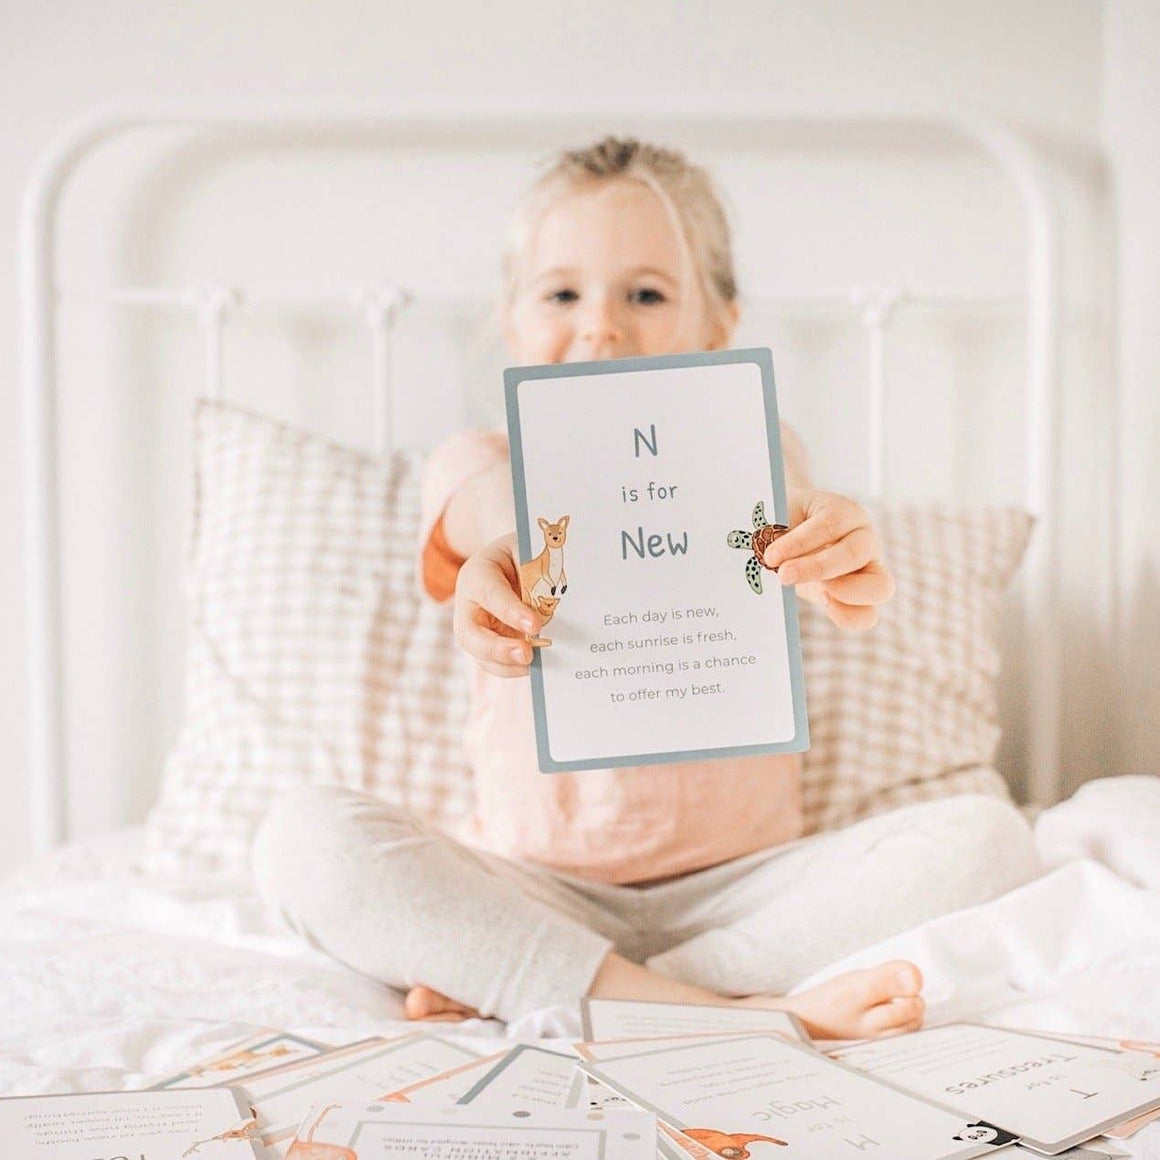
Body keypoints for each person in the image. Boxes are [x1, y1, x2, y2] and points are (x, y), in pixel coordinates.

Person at [253, 137, 1039, 1039]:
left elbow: (783, 509)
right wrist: (499, 560)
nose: (600, 327)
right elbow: (479, 517)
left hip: (745, 898)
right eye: (561, 293)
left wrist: (833, 549)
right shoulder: (477, 464)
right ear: (511, 321)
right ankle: (738, 1016)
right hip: (532, 888)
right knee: (303, 840)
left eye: (647, 294)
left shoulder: (756, 446)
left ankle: (606, 996)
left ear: (718, 326)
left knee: (992, 839)